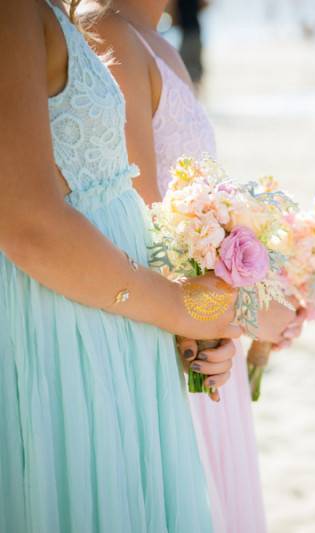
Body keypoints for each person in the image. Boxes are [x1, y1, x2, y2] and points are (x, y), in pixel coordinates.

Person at [0, 1, 240, 530]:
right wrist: (176, 306)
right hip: (62, 326)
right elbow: (28, 223)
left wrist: (178, 308)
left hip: (106, 311)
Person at [84, 1, 305, 531]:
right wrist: (245, 311)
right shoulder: (109, 30)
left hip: (201, 325)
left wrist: (259, 275)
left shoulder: (152, 34)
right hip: (176, 327)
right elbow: (143, 213)